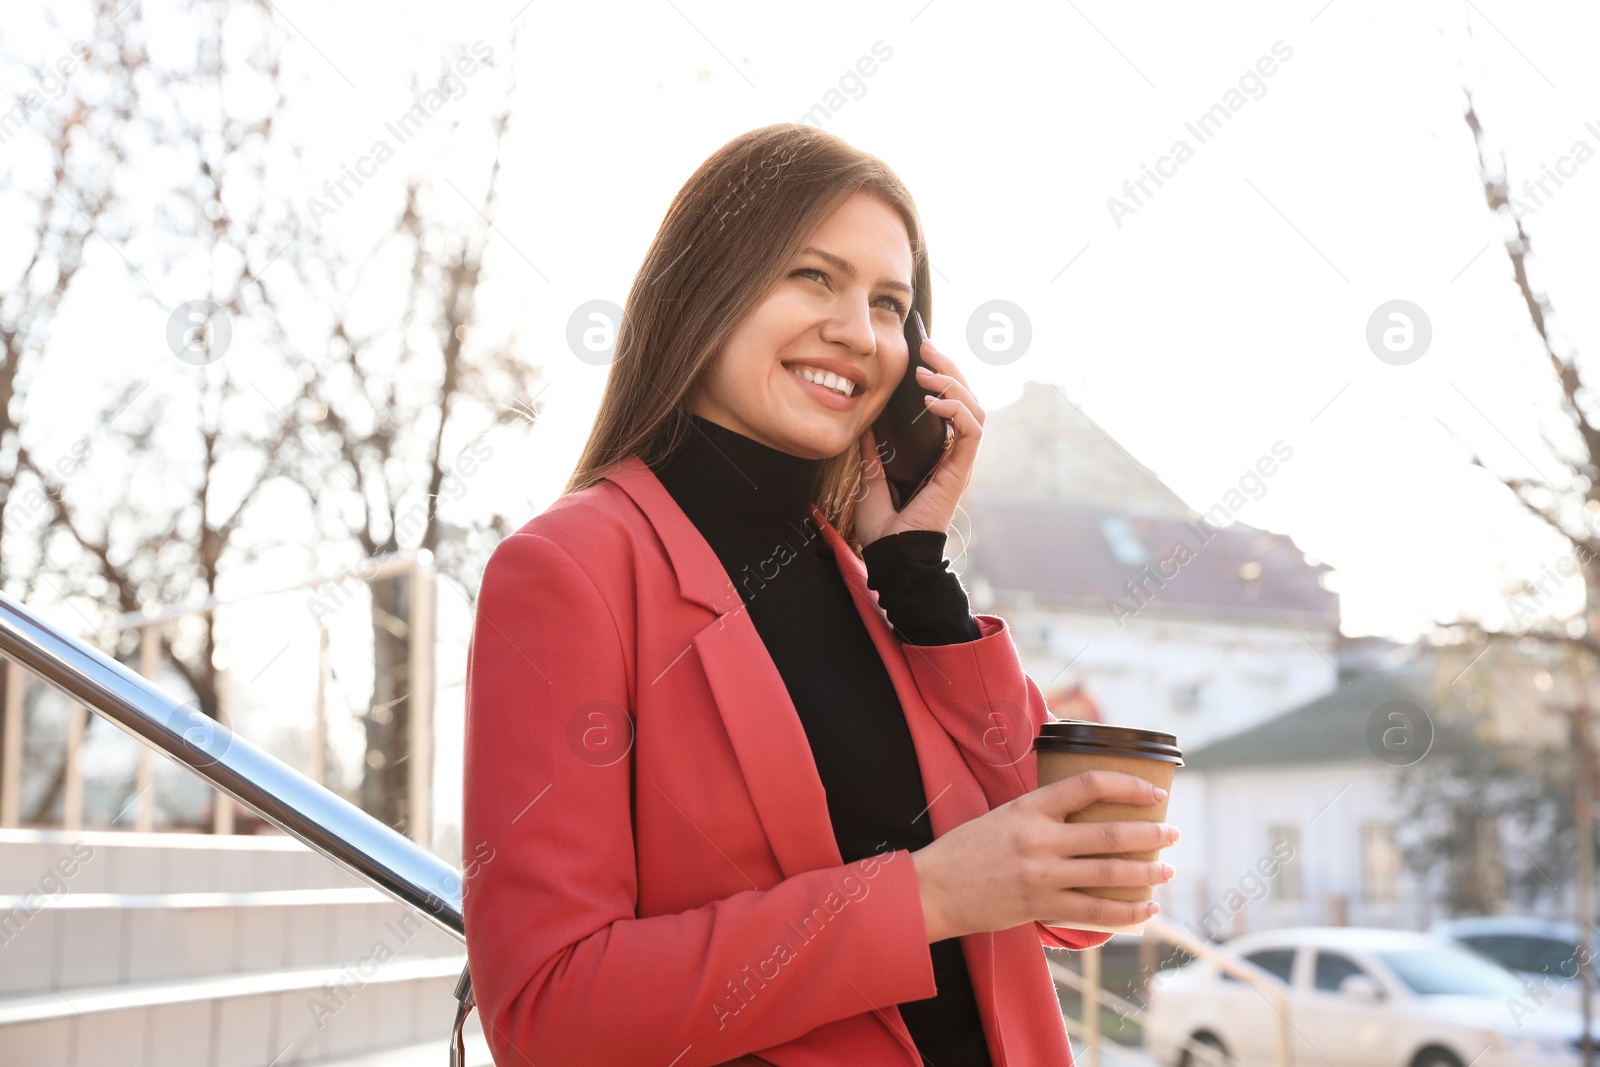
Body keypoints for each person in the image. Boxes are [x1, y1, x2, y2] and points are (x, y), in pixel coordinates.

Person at [461, 122, 1180, 1067]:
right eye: (813, 276)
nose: (858, 331)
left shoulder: (878, 583)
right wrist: (925, 897)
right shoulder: (571, 571)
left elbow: (1069, 908)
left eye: (891, 302)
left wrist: (921, 581)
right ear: (703, 288)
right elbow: (552, 1015)